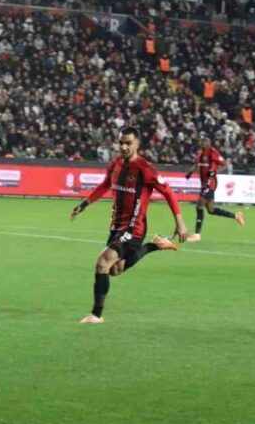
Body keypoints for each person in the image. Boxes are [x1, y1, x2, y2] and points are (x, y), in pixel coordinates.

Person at [70, 126, 187, 324]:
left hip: (134, 227)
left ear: (137, 144)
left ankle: (96, 315)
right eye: (121, 142)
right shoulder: (114, 164)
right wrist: (84, 204)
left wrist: (180, 222)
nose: (123, 146)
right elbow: (105, 185)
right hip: (117, 226)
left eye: (128, 143)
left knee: (102, 263)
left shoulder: (144, 168)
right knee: (115, 270)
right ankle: (155, 245)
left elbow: (167, 192)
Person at [185, 136, 244, 242]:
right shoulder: (200, 153)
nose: (202, 142)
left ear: (209, 143)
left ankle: (197, 235)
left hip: (210, 183)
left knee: (199, 206)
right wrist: (190, 172)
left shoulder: (213, 153)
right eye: (202, 141)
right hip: (203, 183)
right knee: (211, 210)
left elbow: (225, 164)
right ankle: (236, 216)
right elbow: (196, 164)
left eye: (205, 141)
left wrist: (216, 172)